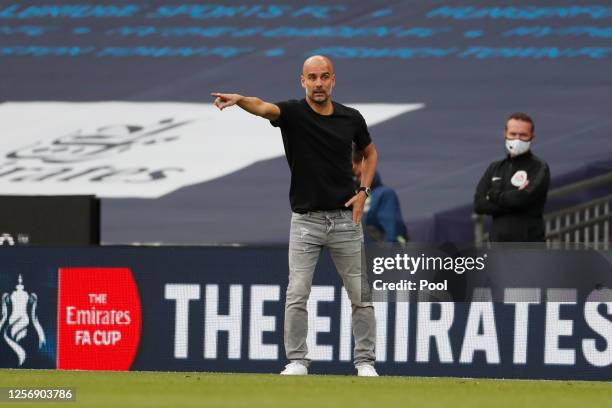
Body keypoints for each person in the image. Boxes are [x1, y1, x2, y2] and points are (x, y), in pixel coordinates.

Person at [211, 55, 379, 377]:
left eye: (324, 77)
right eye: (312, 78)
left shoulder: (351, 118)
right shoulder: (292, 113)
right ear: (302, 81)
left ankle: (365, 362)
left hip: (345, 220)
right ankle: (298, 361)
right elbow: (262, 107)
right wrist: (239, 100)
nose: (318, 83)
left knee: (360, 295)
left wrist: (364, 191)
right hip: (306, 222)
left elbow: (370, 152)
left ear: (333, 80)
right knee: (297, 293)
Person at [474, 112, 550, 242]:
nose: (517, 139)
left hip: (529, 248)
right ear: (505, 134)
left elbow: (521, 199)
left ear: (532, 137)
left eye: (523, 135)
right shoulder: (495, 167)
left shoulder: (539, 167)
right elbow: (479, 204)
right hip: (498, 247)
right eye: (513, 134)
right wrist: (512, 199)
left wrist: (493, 195)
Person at [352, 148, 408, 244]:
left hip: (374, 255)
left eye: (358, 161)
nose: (354, 167)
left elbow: (392, 237)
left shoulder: (385, 194)